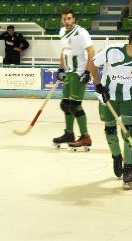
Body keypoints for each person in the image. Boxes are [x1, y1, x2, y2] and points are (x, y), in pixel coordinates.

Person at [92, 28, 132, 190]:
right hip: (107, 98)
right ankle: (117, 157)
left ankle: (128, 169)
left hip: (127, 99)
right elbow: (92, 64)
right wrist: (98, 86)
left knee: (129, 133)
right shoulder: (112, 51)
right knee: (110, 131)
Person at [51, 9, 99, 150]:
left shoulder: (81, 32)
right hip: (69, 73)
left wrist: (87, 72)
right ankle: (69, 134)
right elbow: (64, 51)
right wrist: (61, 69)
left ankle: (85, 137)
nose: (67, 21)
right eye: (64, 19)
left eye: (69, 18)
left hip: (79, 73)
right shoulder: (61, 32)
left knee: (74, 106)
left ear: (74, 20)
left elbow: (91, 51)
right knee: (65, 105)